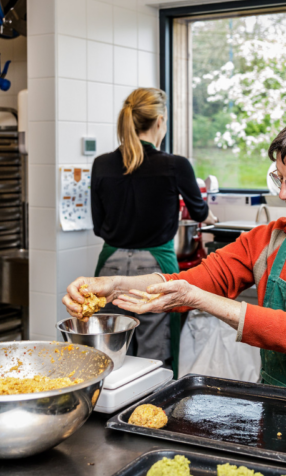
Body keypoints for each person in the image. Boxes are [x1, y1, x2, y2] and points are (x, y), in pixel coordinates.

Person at [66, 107, 286, 402]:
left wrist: (197, 298)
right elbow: (191, 281)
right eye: (279, 179)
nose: (284, 194)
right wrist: (115, 286)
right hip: (281, 403)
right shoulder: (268, 240)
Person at [89, 87, 217, 364]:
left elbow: (99, 227)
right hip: (155, 269)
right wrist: (210, 218)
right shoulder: (175, 165)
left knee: (108, 356)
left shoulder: (101, 164)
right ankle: (153, 407)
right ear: (160, 121)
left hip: (109, 266)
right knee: (156, 357)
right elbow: (199, 212)